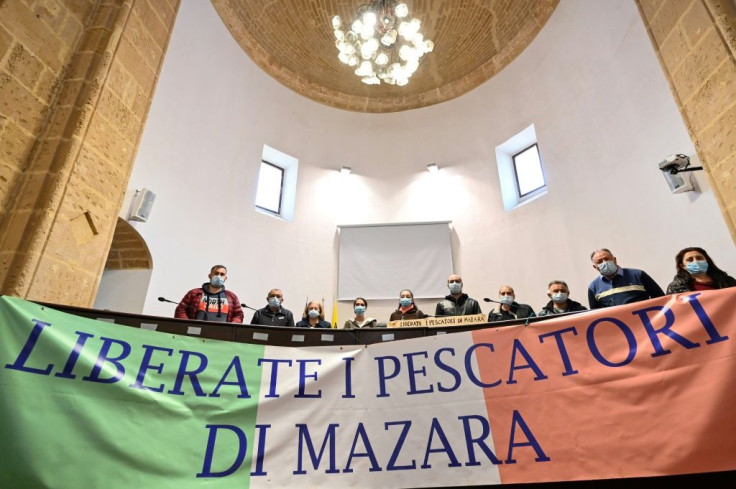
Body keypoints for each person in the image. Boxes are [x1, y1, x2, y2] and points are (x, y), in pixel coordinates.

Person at [588, 248, 664, 309]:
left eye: (607, 259)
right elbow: (595, 315)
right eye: (600, 262)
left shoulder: (638, 275)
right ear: (595, 267)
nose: (605, 263)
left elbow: (661, 298)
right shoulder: (593, 287)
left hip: (645, 323)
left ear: (614, 259)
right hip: (618, 327)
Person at [174, 265, 244, 323]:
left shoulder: (231, 296)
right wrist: (188, 325)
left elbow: (238, 314)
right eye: (216, 273)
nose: (219, 276)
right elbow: (180, 309)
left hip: (221, 335)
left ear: (225, 278)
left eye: (222, 274)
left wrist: (230, 327)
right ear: (210, 276)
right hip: (196, 333)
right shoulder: (194, 293)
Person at [666, 247, 736, 293]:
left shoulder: (728, 281)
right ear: (683, 266)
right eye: (690, 260)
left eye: (699, 258)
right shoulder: (676, 288)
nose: (695, 261)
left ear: (707, 261)